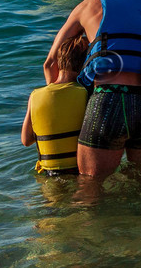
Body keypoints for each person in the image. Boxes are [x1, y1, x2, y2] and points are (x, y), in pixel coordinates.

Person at [44, 0, 141, 179]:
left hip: (111, 99)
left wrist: (58, 103)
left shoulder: (91, 3)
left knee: (90, 185)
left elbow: (50, 62)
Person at [20, 32, 92, 176]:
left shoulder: (35, 96)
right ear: (86, 64)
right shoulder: (85, 93)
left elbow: (26, 140)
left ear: (59, 62)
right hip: (80, 172)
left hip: (50, 173)